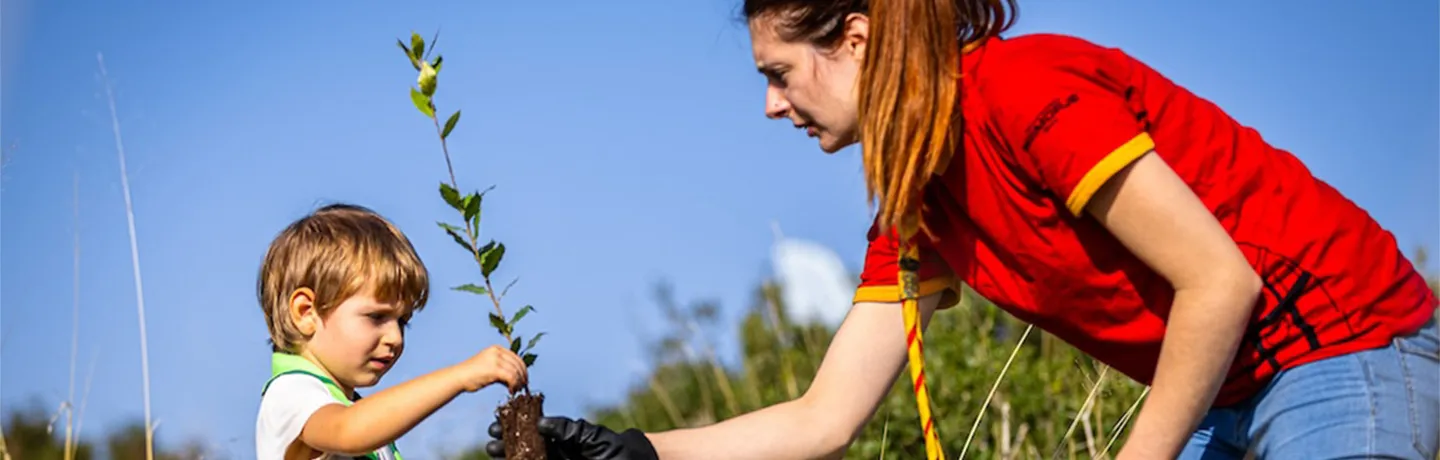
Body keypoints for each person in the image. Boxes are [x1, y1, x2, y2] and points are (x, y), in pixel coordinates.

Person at [484, 0, 1440, 458]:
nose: (771, 108)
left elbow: (1219, 282)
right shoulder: (914, 202)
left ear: (853, 40)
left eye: (779, 74)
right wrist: (633, 453)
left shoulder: (1024, 92)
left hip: (1340, 343)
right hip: (1221, 386)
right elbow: (823, 419)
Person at [255, 203, 530, 460]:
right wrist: (460, 376)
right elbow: (346, 430)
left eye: (403, 322)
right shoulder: (292, 391)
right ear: (307, 312)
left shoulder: (358, 416)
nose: (396, 338)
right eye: (376, 317)